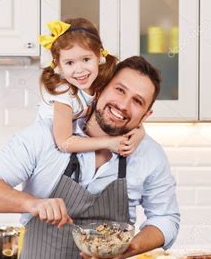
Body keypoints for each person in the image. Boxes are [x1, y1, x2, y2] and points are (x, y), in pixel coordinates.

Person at [0, 56, 180, 259]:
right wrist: (33, 203)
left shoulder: (150, 155)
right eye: (120, 90)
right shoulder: (44, 136)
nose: (124, 105)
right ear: (99, 88)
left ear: (146, 114)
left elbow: (166, 219)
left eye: (137, 101)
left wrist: (130, 247)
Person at [37, 18, 144, 157]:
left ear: (99, 56)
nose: (79, 70)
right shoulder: (63, 93)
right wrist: (108, 142)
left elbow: (123, 111)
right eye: (69, 63)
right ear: (59, 65)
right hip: (47, 151)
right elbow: (64, 143)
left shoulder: (99, 83)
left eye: (86, 59)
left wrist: (140, 133)